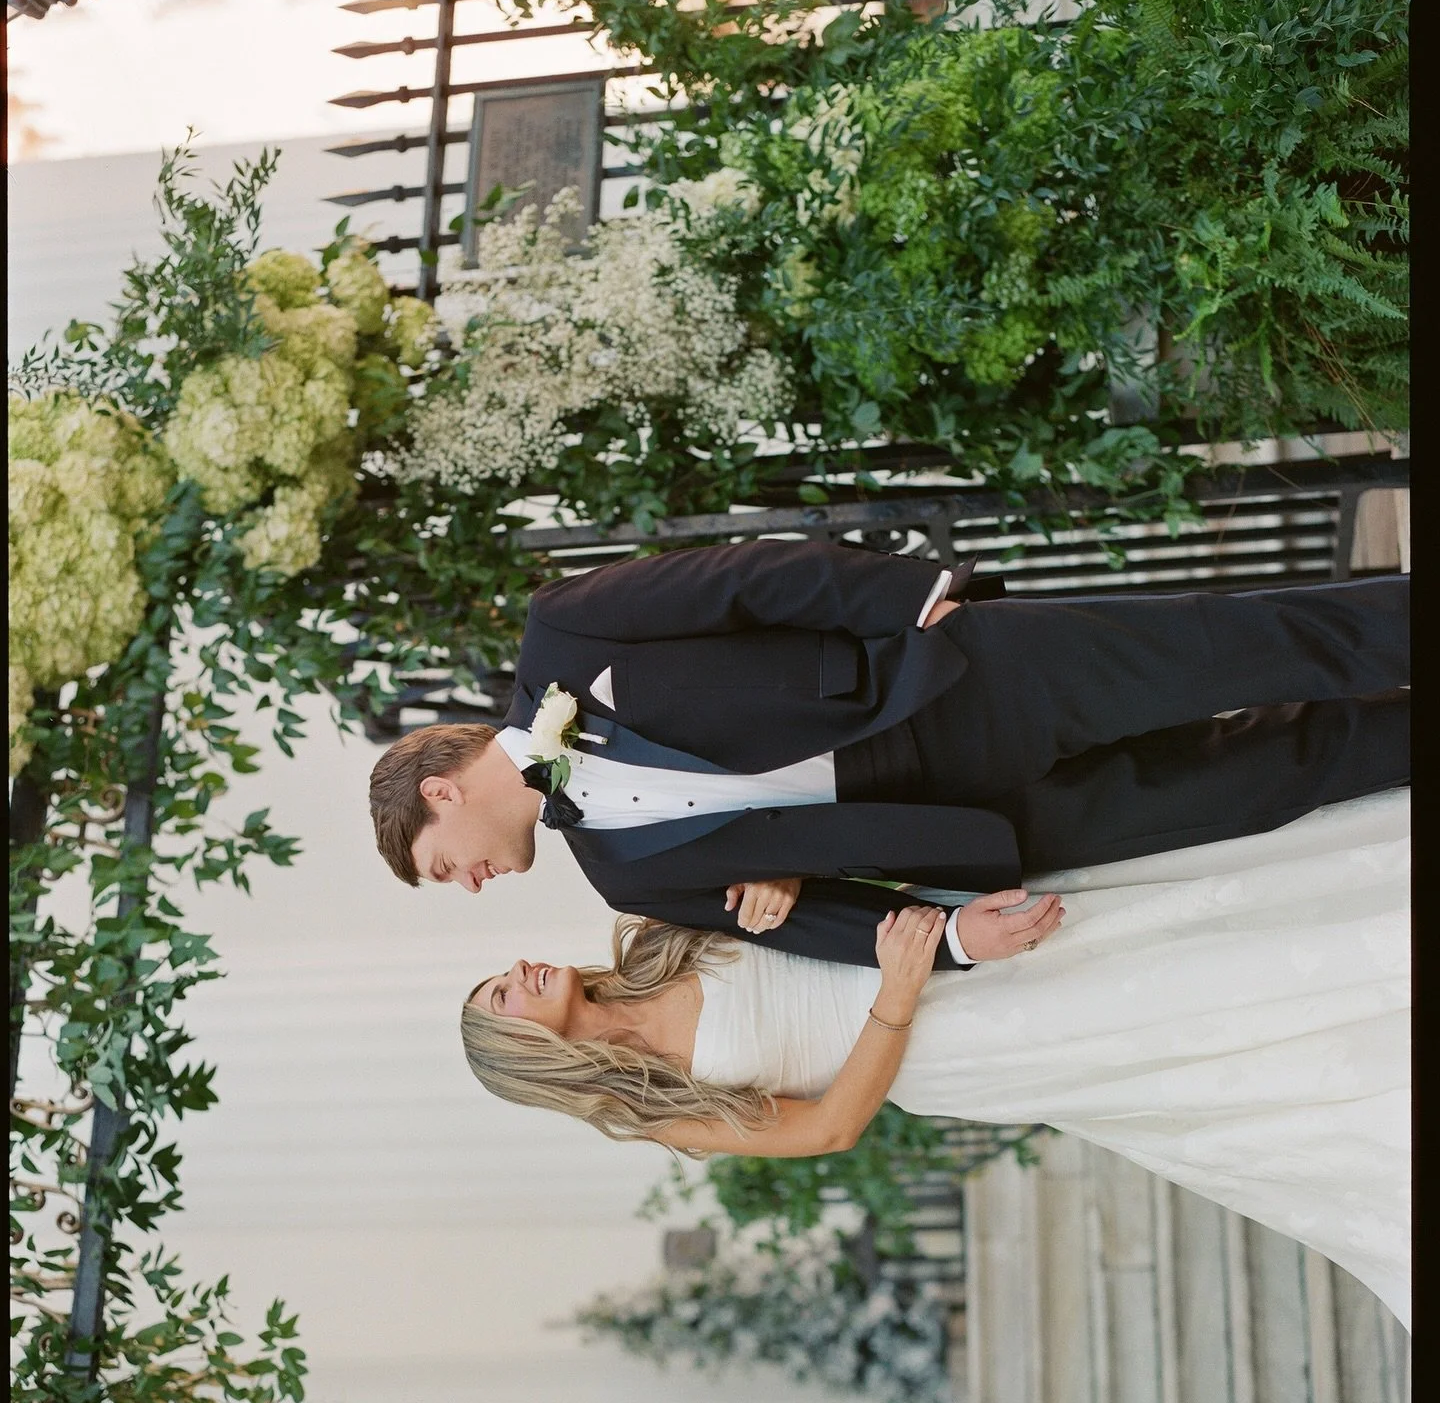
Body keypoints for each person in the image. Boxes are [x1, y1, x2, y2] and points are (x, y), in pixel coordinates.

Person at [458, 787, 1411, 1331]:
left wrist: (790, 879)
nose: (518, 970)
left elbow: (794, 873)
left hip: (943, 926)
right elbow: (830, 1127)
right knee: (1176, 1017)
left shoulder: (651, 932)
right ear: (527, 1054)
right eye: (503, 995)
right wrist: (898, 993)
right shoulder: (663, 1108)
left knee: (1167, 921)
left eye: (499, 975)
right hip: (942, 1036)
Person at [369, 540, 1408, 973]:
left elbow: (743, 581)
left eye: (441, 863)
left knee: (1267, 644)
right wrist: (951, 938)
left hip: (960, 683)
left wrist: (912, 598)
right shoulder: (620, 878)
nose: (467, 885)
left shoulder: (565, 636)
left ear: (440, 790)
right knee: (1278, 774)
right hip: (981, 829)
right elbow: (819, 926)